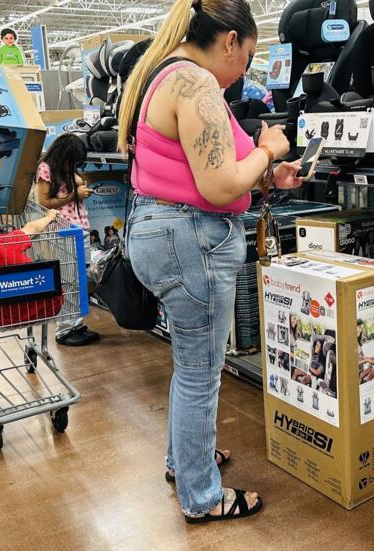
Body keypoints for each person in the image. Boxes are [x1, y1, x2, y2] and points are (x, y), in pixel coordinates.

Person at [120, 0, 303, 523]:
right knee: (201, 372)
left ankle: (185, 461)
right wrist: (268, 150)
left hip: (166, 233)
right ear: (229, 41)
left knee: (191, 366)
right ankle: (201, 497)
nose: (244, 71)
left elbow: (205, 167)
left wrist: (269, 175)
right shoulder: (195, 83)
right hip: (190, 241)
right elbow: (220, 185)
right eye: (247, 57)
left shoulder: (165, 75)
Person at [34, 133, 100, 347]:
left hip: (80, 229)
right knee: (69, 281)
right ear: (63, 155)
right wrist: (75, 195)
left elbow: (76, 183)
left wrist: (77, 184)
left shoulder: (66, 169)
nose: (73, 166)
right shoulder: (45, 168)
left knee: (80, 280)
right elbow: (44, 202)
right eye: (72, 161)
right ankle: (64, 330)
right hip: (63, 231)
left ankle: (77, 324)